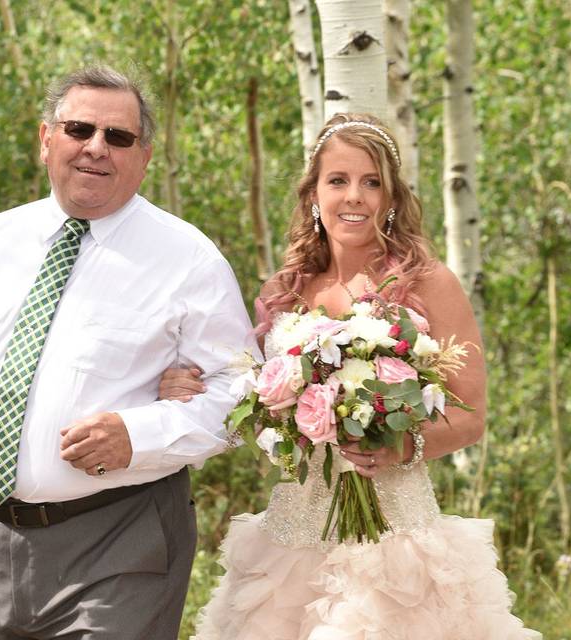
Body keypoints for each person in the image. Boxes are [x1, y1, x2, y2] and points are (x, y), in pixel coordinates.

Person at [0, 65, 254, 639]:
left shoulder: (189, 261)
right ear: (46, 140)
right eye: (79, 129)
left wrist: (139, 434)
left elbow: (241, 393)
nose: (96, 147)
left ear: (144, 156)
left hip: (120, 542)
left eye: (118, 137)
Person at [159, 114, 541, 639]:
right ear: (313, 194)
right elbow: (244, 390)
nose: (354, 196)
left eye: (371, 182)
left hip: (394, 537)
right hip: (294, 532)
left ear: (391, 198)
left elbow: (469, 416)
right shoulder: (284, 290)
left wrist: (398, 446)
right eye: (338, 180)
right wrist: (186, 386)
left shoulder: (429, 282)